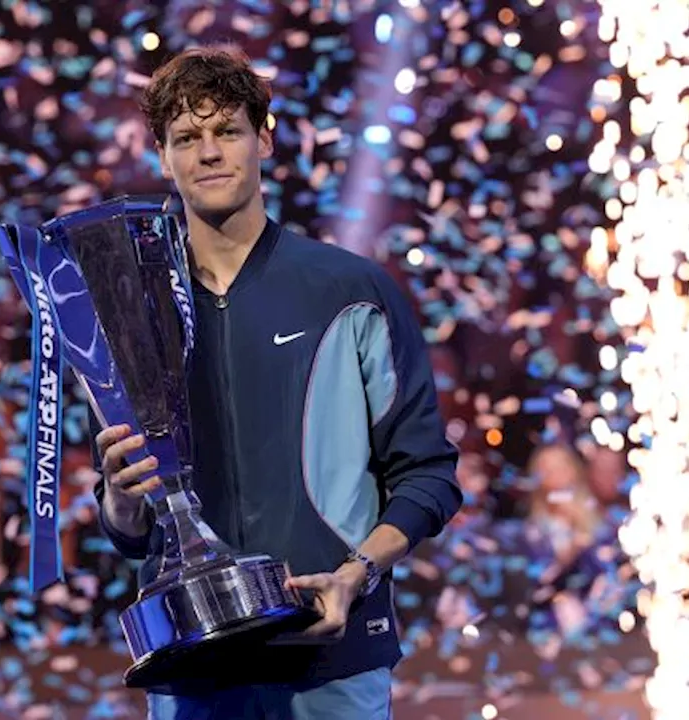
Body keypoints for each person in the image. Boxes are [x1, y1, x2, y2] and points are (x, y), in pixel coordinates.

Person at [89, 45, 462, 719]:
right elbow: (133, 530)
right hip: (194, 665)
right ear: (162, 157)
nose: (209, 153)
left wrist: (356, 575)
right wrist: (119, 497)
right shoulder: (133, 314)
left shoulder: (351, 290)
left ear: (264, 139)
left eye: (226, 131)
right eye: (187, 138)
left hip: (332, 660)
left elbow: (428, 474)